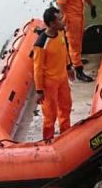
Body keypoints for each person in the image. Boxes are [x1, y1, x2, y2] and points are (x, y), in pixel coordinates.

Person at [33, 7, 77, 141]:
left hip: (62, 77)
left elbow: (64, 50)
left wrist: (69, 67)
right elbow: (37, 68)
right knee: (50, 114)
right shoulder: (41, 44)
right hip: (49, 83)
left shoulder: (61, 33)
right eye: (59, 19)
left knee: (66, 106)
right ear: (52, 23)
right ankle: (48, 139)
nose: (63, 21)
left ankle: (65, 132)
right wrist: (39, 90)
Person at [54, 0, 96, 82]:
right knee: (74, 43)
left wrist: (92, 5)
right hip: (71, 19)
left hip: (80, 15)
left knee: (79, 39)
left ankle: (75, 60)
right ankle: (78, 70)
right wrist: (63, 21)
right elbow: (60, 5)